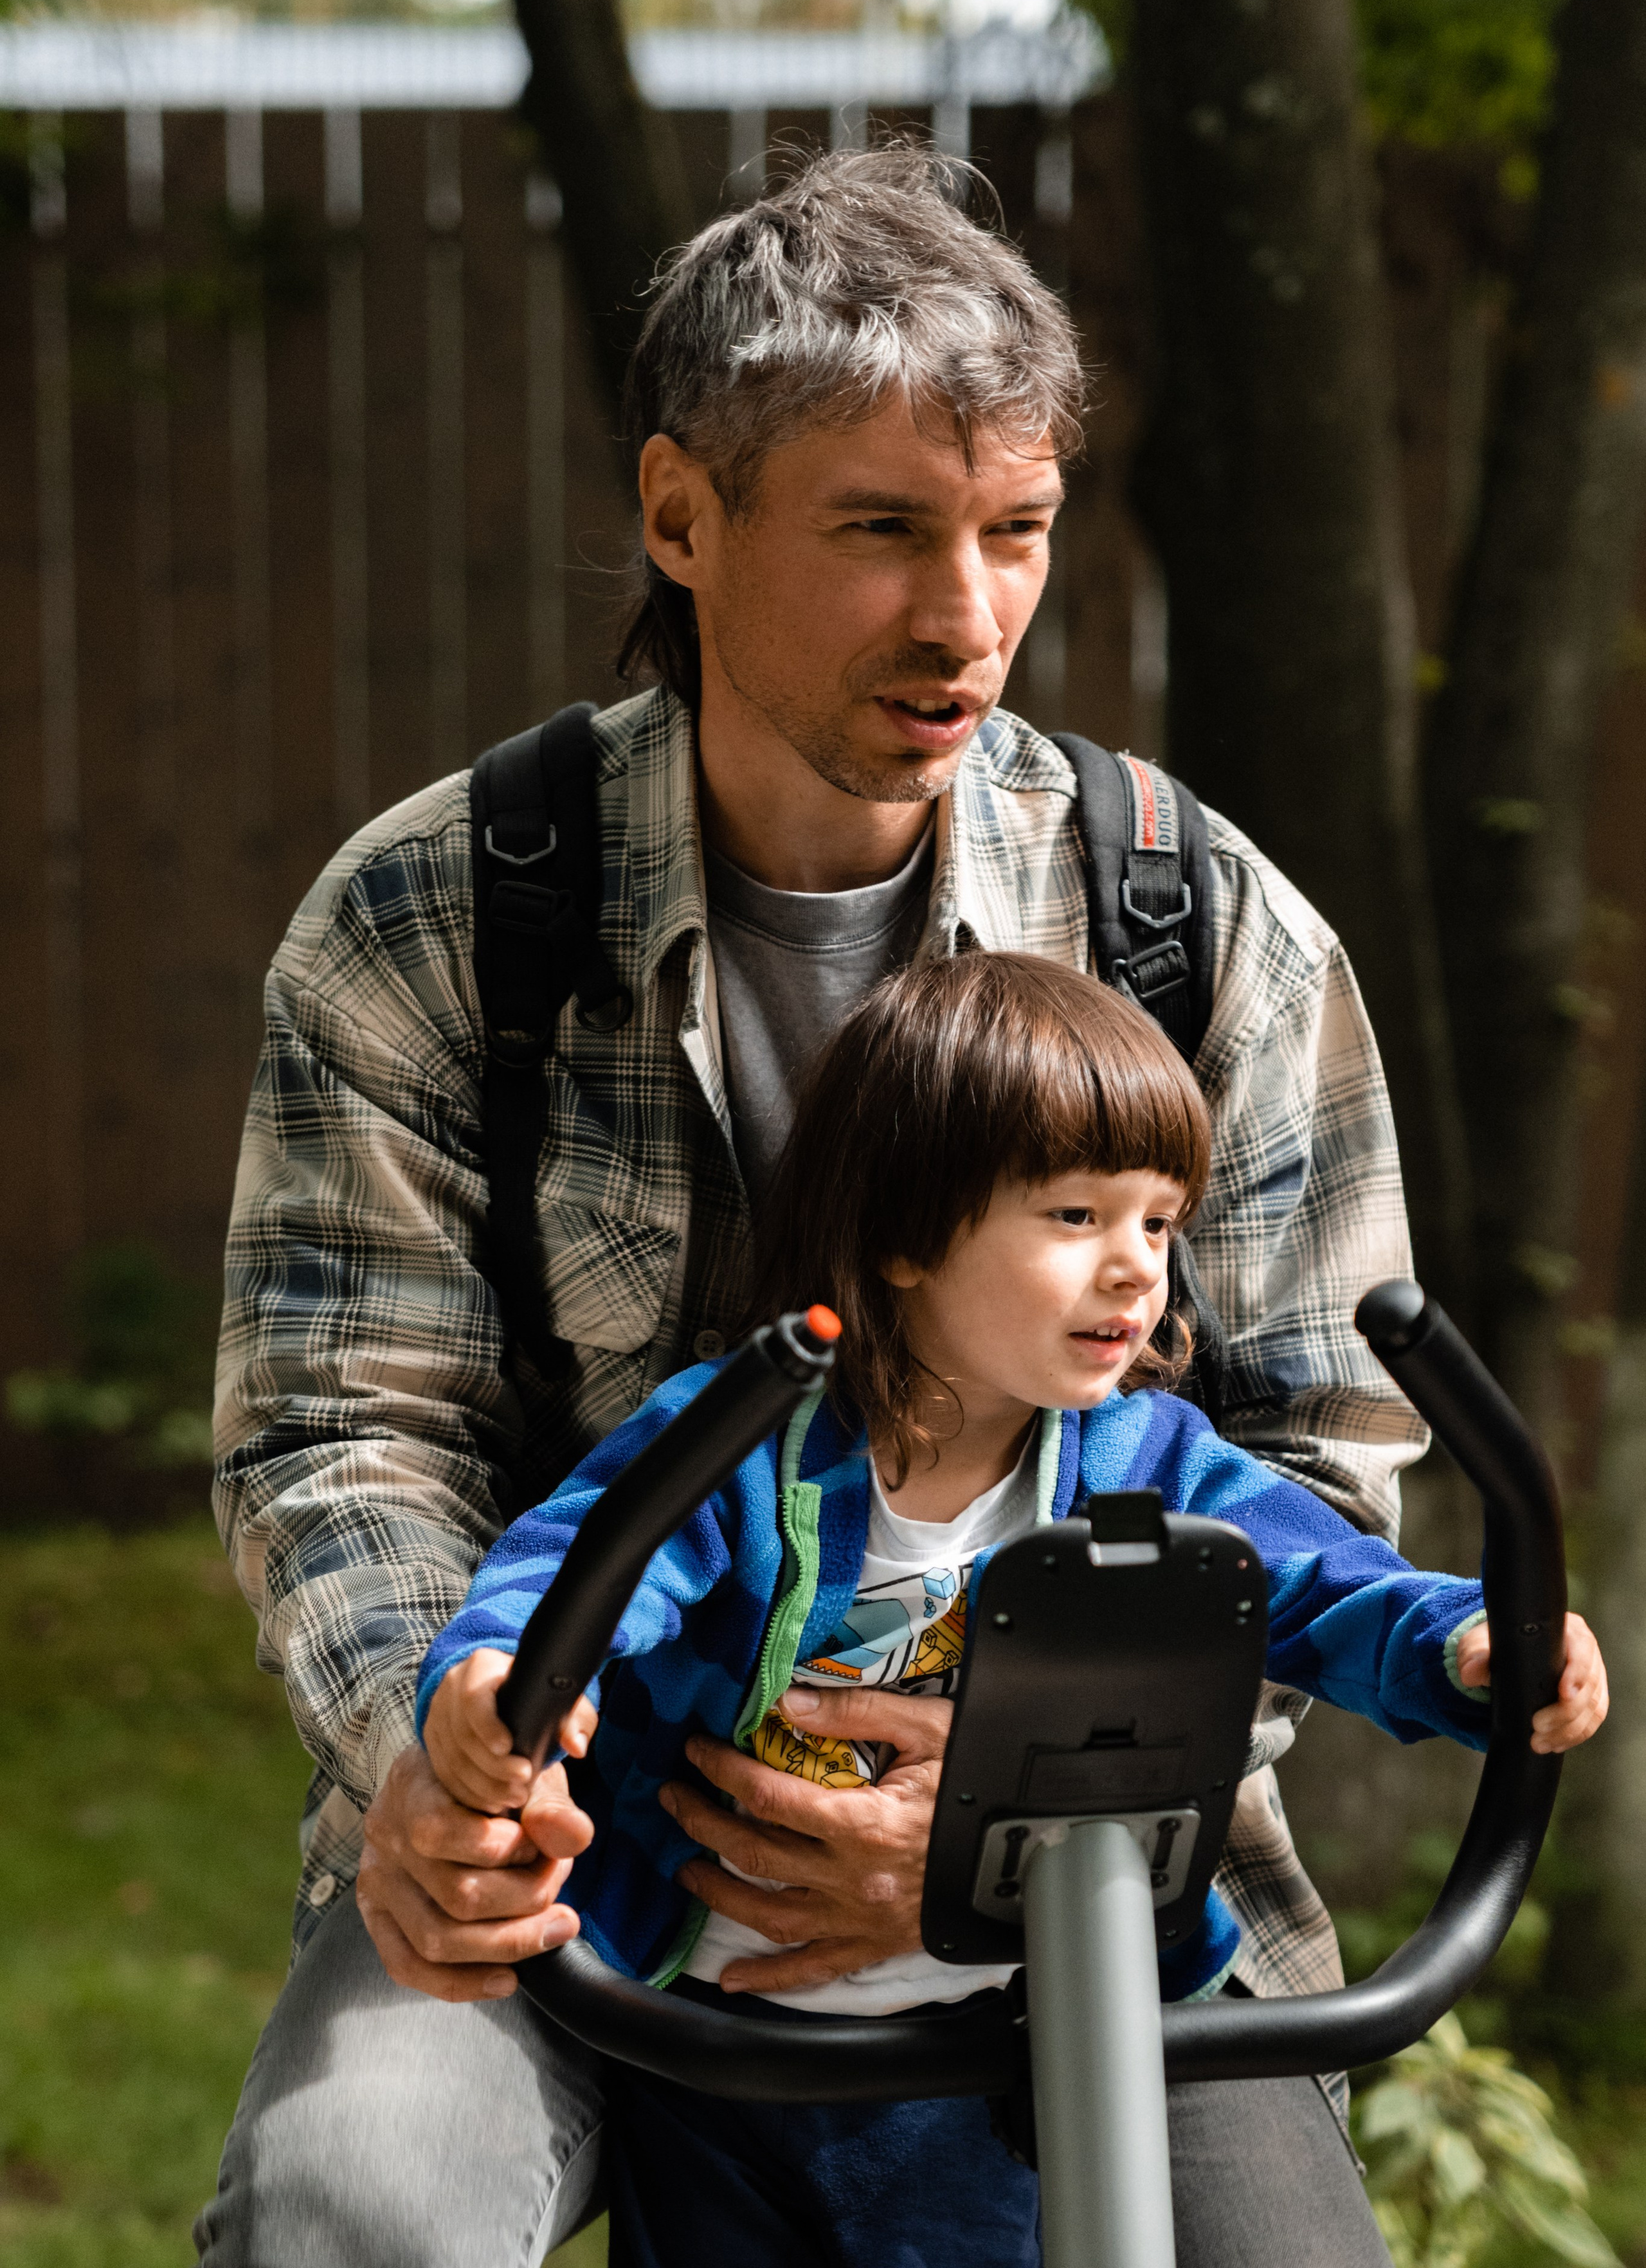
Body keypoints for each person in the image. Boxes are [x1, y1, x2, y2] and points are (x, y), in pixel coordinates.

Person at [201, 146, 1445, 2262]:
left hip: (1089, 1871)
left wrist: (1023, 1815)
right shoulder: (441, 924)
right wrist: (461, 1754)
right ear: (683, 515)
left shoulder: (1190, 927)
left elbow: (1326, 1443)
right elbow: (344, 1427)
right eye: (883, 529)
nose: (965, 613)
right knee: (353, 2207)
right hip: (565, 1863)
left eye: (1017, 531)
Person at [417, 954, 1607, 2267]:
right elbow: (588, 1559)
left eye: (1158, 1224)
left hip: (992, 2040)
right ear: (904, 1236)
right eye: (1074, 1216)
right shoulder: (744, 1441)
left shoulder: (1145, 1462)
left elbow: (1321, 1583)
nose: (1133, 1271)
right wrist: (511, 1680)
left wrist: (1465, 1643)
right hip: (717, 2051)